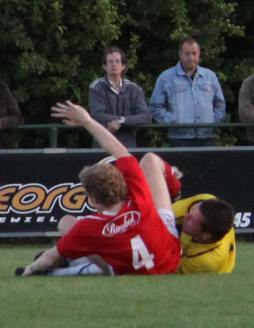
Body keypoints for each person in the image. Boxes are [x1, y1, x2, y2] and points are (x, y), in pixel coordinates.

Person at [15, 101, 185, 276]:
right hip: (171, 258)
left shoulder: (90, 226)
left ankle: (69, 268)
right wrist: (87, 121)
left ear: (93, 199)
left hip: (127, 269)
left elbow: (50, 258)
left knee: (67, 224)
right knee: (150, 159)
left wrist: (30, 269)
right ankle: (175, 188)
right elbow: (118, 149)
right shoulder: (139, 196)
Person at [150, 36, 227, 147]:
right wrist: (172, 121)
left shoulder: (210, 76)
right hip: (179, 139)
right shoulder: (166, 77)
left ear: (199, 54)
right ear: (180, 54)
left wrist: (213, 121)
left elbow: (220, 103)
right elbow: (155, 106)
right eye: (187, 54)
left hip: (207, 137)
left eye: (194, 53)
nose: (191, 57)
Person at [87, 47, 152, 137]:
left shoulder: (134, 89)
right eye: (110, 62)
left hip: (128, 142)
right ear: (104, 66)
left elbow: (146, 117)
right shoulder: (97, 87)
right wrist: (123, 120)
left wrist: (121, 121)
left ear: (123, 66)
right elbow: (97, 115)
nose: (114, 64)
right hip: (103, 141)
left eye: (117, 61)